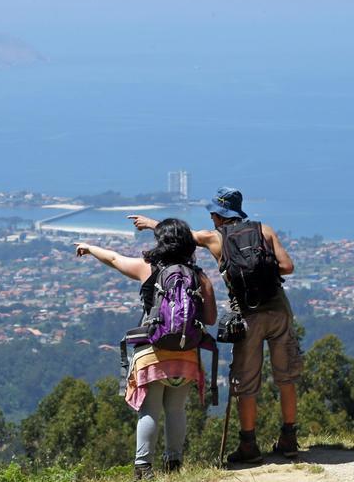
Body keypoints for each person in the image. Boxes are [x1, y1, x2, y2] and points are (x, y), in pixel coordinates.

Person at [128, 187, 301, 464]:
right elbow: (288, 267)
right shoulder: (264, 230)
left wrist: (151, 223)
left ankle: (249, 445)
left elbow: (180, 237)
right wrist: (262, 270)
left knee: (246, 382)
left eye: (212, 213)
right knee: (286, 376)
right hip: (279, 309)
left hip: (247, 314)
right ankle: (290, 438)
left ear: (219, 215)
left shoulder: (213, 238)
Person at [74, 218, 217, 479]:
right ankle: (174, 463)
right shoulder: (200, 277)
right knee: (176, 409)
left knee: (149, 409)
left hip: (152, 352)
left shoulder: (148, 269)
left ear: (161, 242)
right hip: (186, 355)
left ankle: (143, 468)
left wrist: (90, 247)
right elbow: (210, 319)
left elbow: (115, 259)